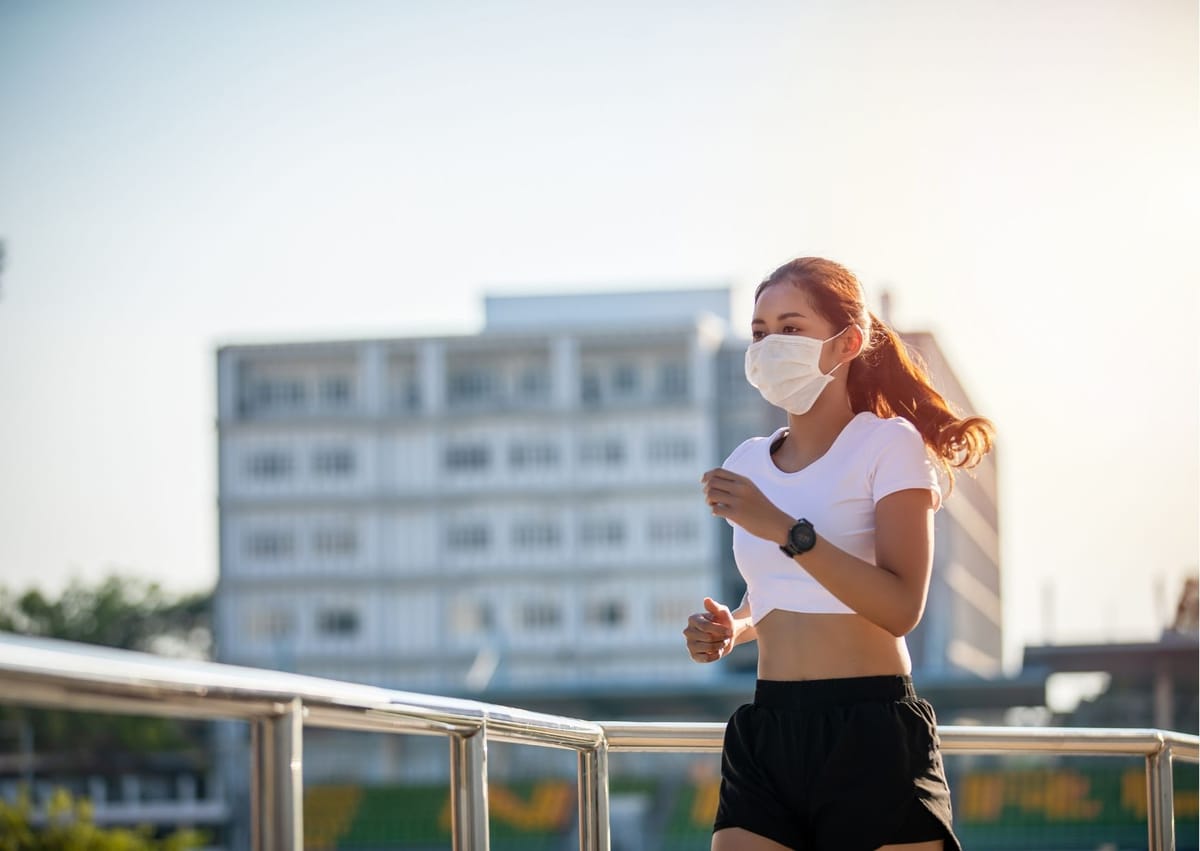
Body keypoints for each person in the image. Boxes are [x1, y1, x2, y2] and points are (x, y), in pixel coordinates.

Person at [683, 257, 995, 851]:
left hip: (871, 728)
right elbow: (775, 590)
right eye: (758, 331)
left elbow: (902, 606)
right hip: (768, 729)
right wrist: (735, 625)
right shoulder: (746, 461)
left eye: (791, 328)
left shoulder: (889, 445)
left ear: (847, 341)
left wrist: (780, 525)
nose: (770, 344)